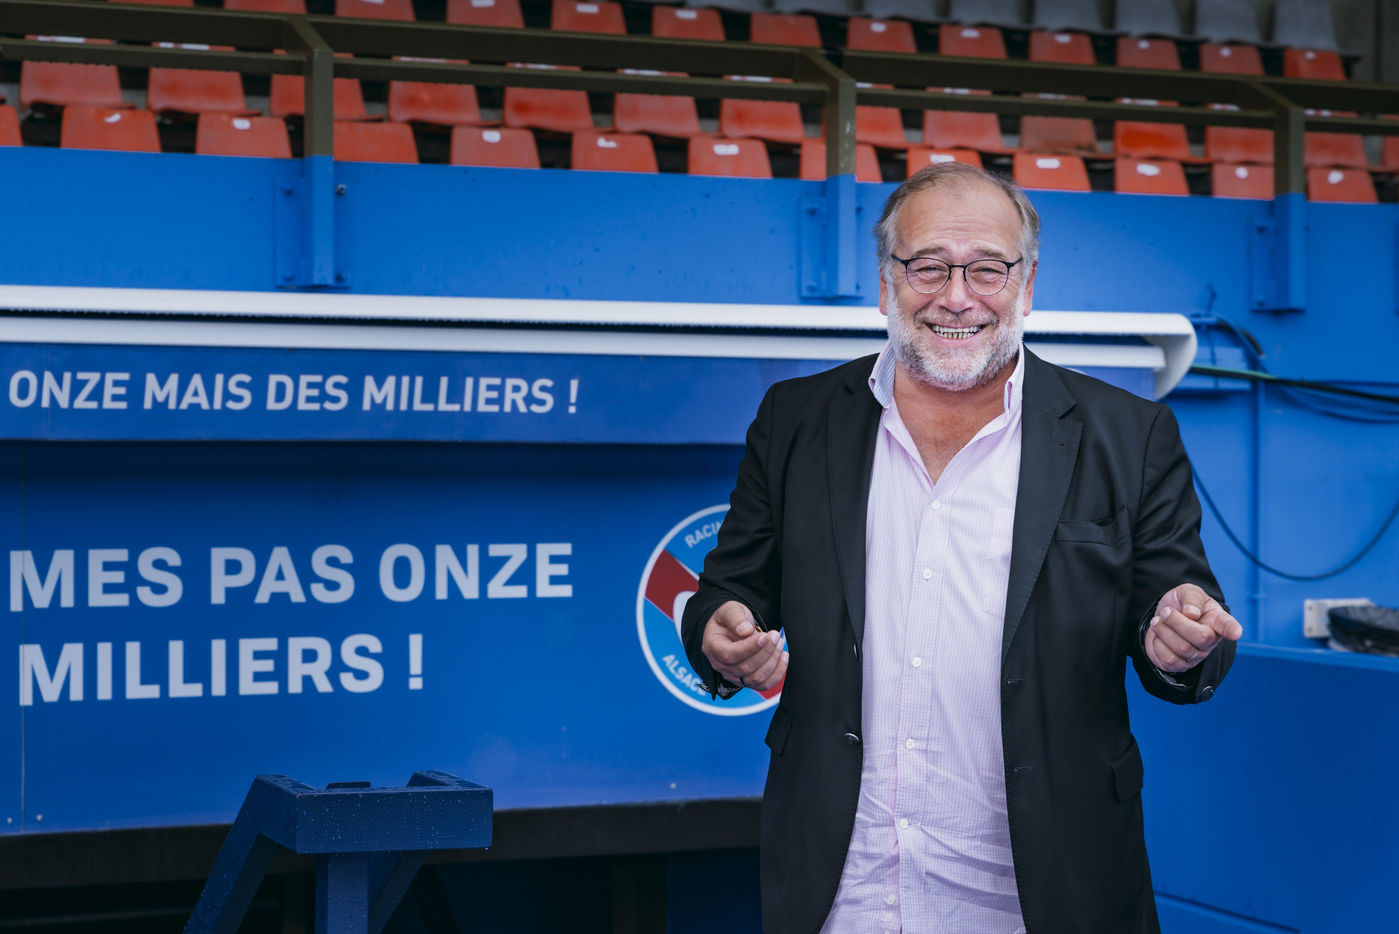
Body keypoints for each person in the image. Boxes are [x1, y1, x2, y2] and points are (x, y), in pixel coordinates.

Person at [680, 162, 1242, 934]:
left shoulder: (1129, 434)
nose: (955, 296)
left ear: (1025, 284)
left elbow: (1183, 617)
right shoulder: (795, 419)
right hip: (846, 883)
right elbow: (728, 589)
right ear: (886, 282)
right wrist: (718, 630)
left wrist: (1178, 641)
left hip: (1046, 887)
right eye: (927, 267)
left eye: (985, 269)